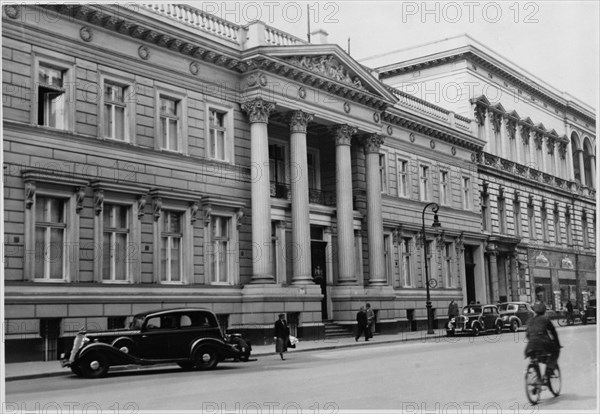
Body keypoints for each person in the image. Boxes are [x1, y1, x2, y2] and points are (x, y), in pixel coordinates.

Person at [524, 302, 561, 377]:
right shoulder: (545, 319)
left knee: (534, 359)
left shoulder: (530, 321)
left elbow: (527, 335)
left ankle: (537, 380)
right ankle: (549, 369)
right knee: (555, 351)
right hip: (543, 344)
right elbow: (553, 332)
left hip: (530, 347)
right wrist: (557, 344)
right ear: (544, 310)